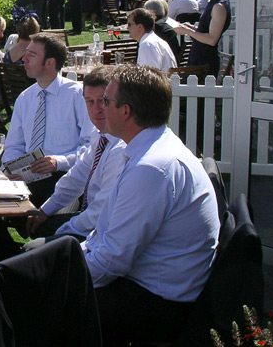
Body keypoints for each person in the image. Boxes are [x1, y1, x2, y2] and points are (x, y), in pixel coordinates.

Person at [83, 65, 219, 346]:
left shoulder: (151, 167)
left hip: (157, 302)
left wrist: (63, 276)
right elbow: (108, 239)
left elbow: (113, 261)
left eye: (106, 101)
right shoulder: (152, 145)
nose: (100, 109)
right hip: (152, 284)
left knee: (41, 303)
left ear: (126, 111)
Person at [0, 33, 94, 261]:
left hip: (62, 179)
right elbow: (14, 145)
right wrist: (10, 169)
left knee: (35, 213)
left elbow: (90, 147)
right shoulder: (26, 98)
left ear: (50, 63)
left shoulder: (76, 96)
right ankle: (9, 258)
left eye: (31, 55)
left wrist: (59, 161)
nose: (24, 59)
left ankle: (20, 261)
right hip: (24, 179)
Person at [24, 66, 126, 241]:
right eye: (89, 101)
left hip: (106, 230)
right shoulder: (99, 135)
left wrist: (61, 231)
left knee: (44, 232)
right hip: (89, 215)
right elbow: (77, 176)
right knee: (35, 222)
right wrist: (44, 211)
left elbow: (102, 210)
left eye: (103, 101)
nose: (96, 109)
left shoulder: (122, 147)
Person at [179, 0, 232, 76]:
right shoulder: (216, 2)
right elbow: (206, 30)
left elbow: (212, 39)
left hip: (205, 62)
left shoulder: (219, 6)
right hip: (200, 58)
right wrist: (190, 27)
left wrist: (188, 32)